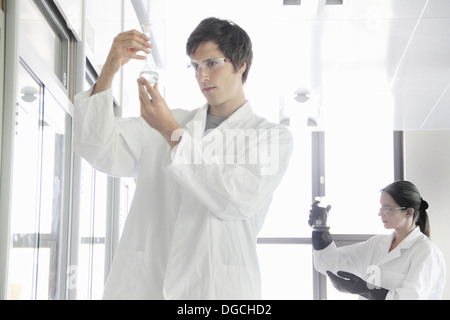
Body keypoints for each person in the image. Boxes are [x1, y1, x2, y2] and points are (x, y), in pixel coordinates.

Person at [74, 17, 293, 299]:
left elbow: (236, 197)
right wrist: (109, 70)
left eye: (212, 63)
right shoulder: (171, 120)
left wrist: (171, 133)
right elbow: (98, 148)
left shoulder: (272, 137)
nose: (202, 76)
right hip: (147, 285)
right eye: (195, 66)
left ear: (241, 64)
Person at [309, 181, 446, 300]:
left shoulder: (426, 253)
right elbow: (331, 263)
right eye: (381, 207)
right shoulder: (376, 244)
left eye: (388, 208)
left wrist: (368, 290)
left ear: (409, 212)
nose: (380, 213)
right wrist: (320, 230)